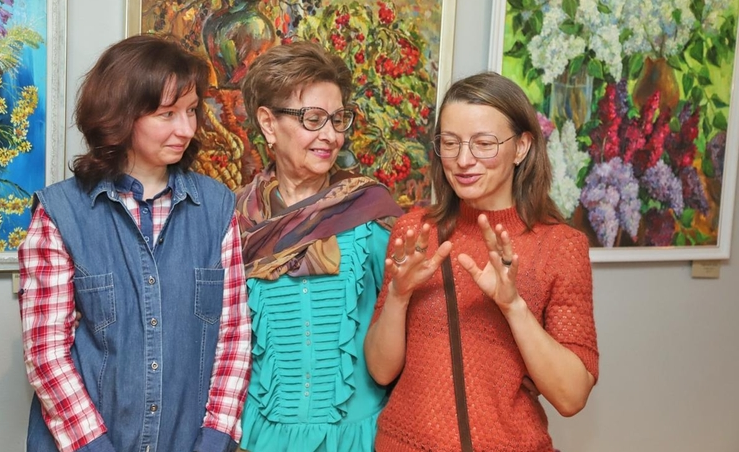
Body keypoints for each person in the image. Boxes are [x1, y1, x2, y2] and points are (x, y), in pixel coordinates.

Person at [17, 35, 251, 452]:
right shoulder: (60, 213)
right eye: (167, 114)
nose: (187, 129)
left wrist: (214, 440)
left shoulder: (216, 207)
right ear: (121, 115)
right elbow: (47, 355)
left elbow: (233, 337)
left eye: (192, 110)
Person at [364, 72, 599, 452]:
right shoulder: (415, 231)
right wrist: (398, 295)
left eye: (484, 144)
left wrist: (513, 306)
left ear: (521, 147)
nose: (463, 160)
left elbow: (571, 396)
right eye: (450, 143)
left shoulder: (560, 246)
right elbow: (380, 369)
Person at [234, 41, 403, 452]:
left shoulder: (372, 214)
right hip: (257, 440)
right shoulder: (233, 223)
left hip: (359, 440)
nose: (331, 136)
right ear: (268, 123)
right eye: (313, 119)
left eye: (338, 119)